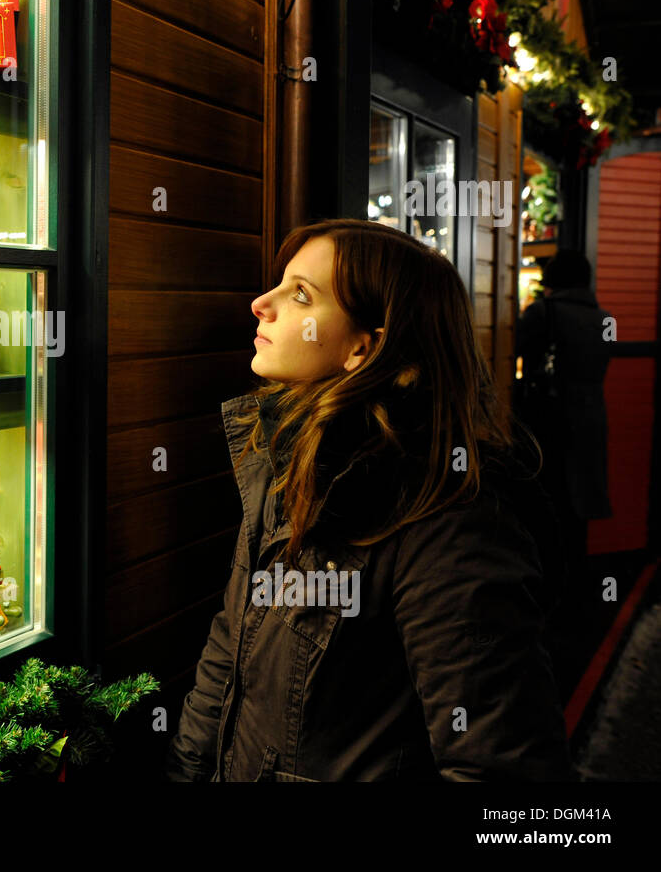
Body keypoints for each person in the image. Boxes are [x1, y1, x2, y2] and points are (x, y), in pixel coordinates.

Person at [166, 219, 572, 781]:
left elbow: (503, 771)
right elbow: (229, 650)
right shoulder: (288, 459)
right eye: (280, 284)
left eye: (301, 295)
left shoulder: (447, 521)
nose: (263, 303)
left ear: (364, 347)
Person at [515, 250, 613, 700]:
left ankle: (548, 598)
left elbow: (513, 349)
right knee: (579, 505)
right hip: (591, 416)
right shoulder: (604, 318)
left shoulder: (544, 312)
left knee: (546, 503)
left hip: (549, 419)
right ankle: (580, 597)